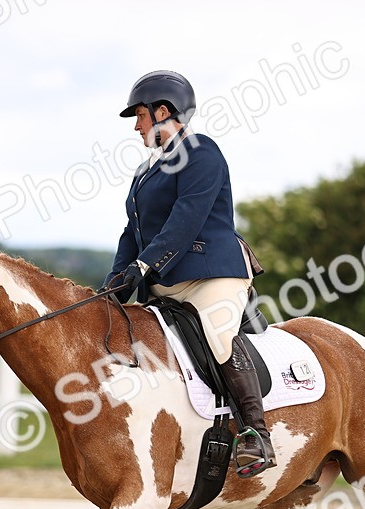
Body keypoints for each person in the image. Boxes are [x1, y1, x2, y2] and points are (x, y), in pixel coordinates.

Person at [101, 70, 275, 477]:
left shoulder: (201, 151)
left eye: (140, 115)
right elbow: (132, 231)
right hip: (165, 282)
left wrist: (144, 265)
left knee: (218, 337)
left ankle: (256, 433)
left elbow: (186, 219)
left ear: (163, 111)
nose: (136, 126)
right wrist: (116, 281)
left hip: (210, 276)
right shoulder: (146, 170)